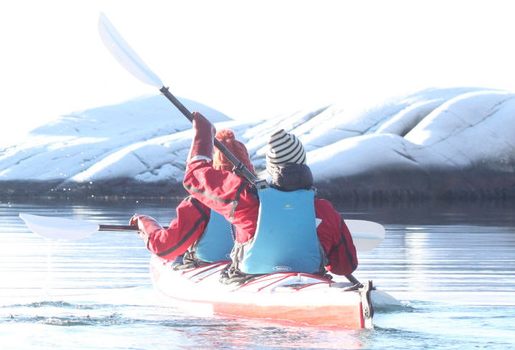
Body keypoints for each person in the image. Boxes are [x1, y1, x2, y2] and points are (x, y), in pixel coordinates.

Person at [132, 112, 359, 277]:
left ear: (271, 168)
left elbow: (194, 177)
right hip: (308, 284)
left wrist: (203, 132)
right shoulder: (324, 211)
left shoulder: (246, 203)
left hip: (250, 282)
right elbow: (344, 268)